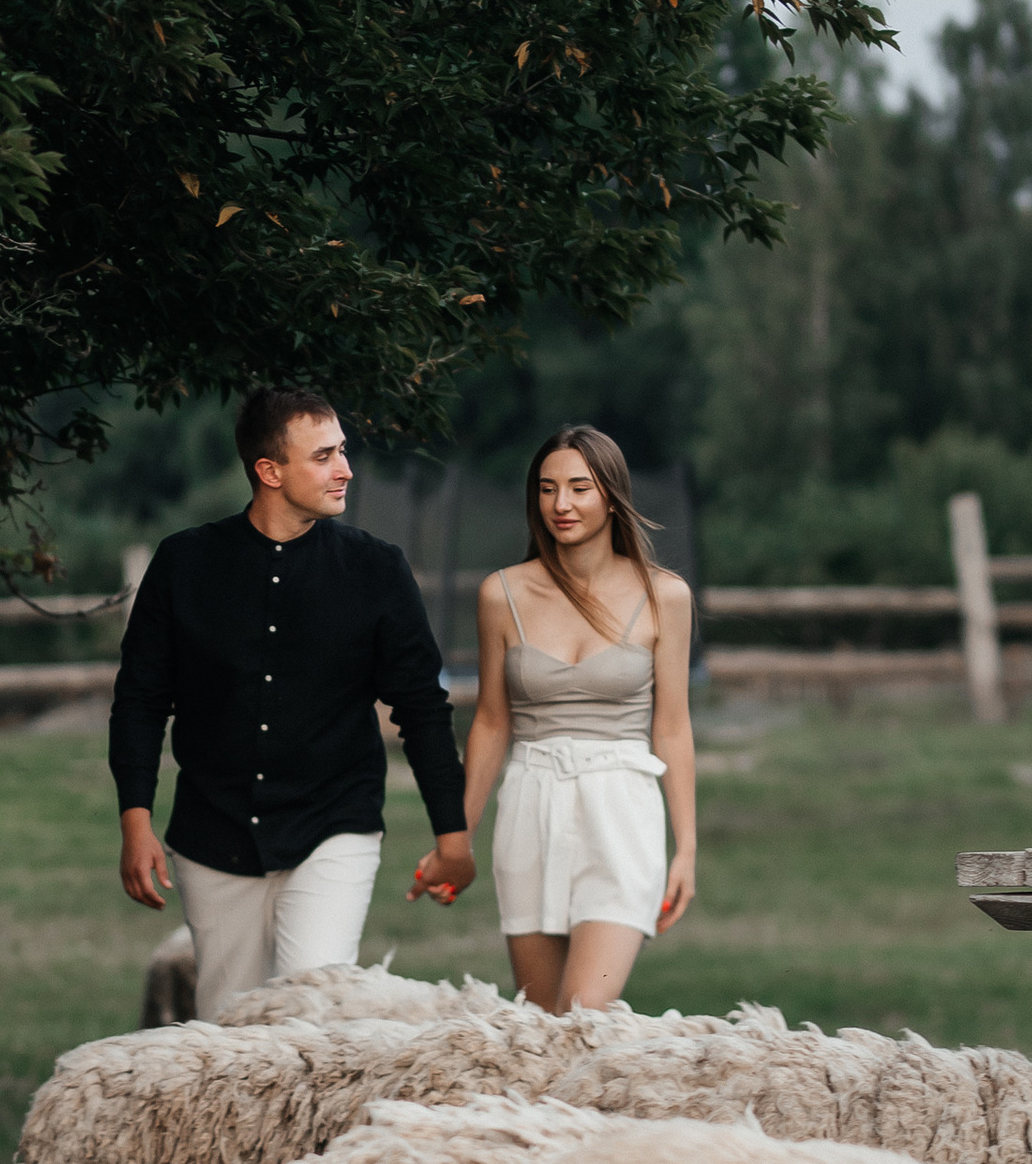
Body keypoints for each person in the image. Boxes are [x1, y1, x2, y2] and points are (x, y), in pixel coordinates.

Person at [110, 386, 474, 1018]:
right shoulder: (184, 564)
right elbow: (141, 700)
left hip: (334, 826)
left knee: (312, 1016)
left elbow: (421, 707)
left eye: (343, 452)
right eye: (325, 456)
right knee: (228, 1028)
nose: (346, 470)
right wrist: (135, 822)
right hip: (212, 835)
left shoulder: (376, 570)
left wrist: (453, 834)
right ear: (269, 472)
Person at [435, 424, 695, 1012]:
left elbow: (673, 728)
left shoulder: (665, 596)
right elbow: (492, 725)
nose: (562, 504)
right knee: (540, 1025)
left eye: (579, 487)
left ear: (611, 494)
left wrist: (687, 850)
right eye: (548, 489)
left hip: (621, 809)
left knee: (586, 1015)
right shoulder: (501, 594)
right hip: (531, 804)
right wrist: (459, 839)